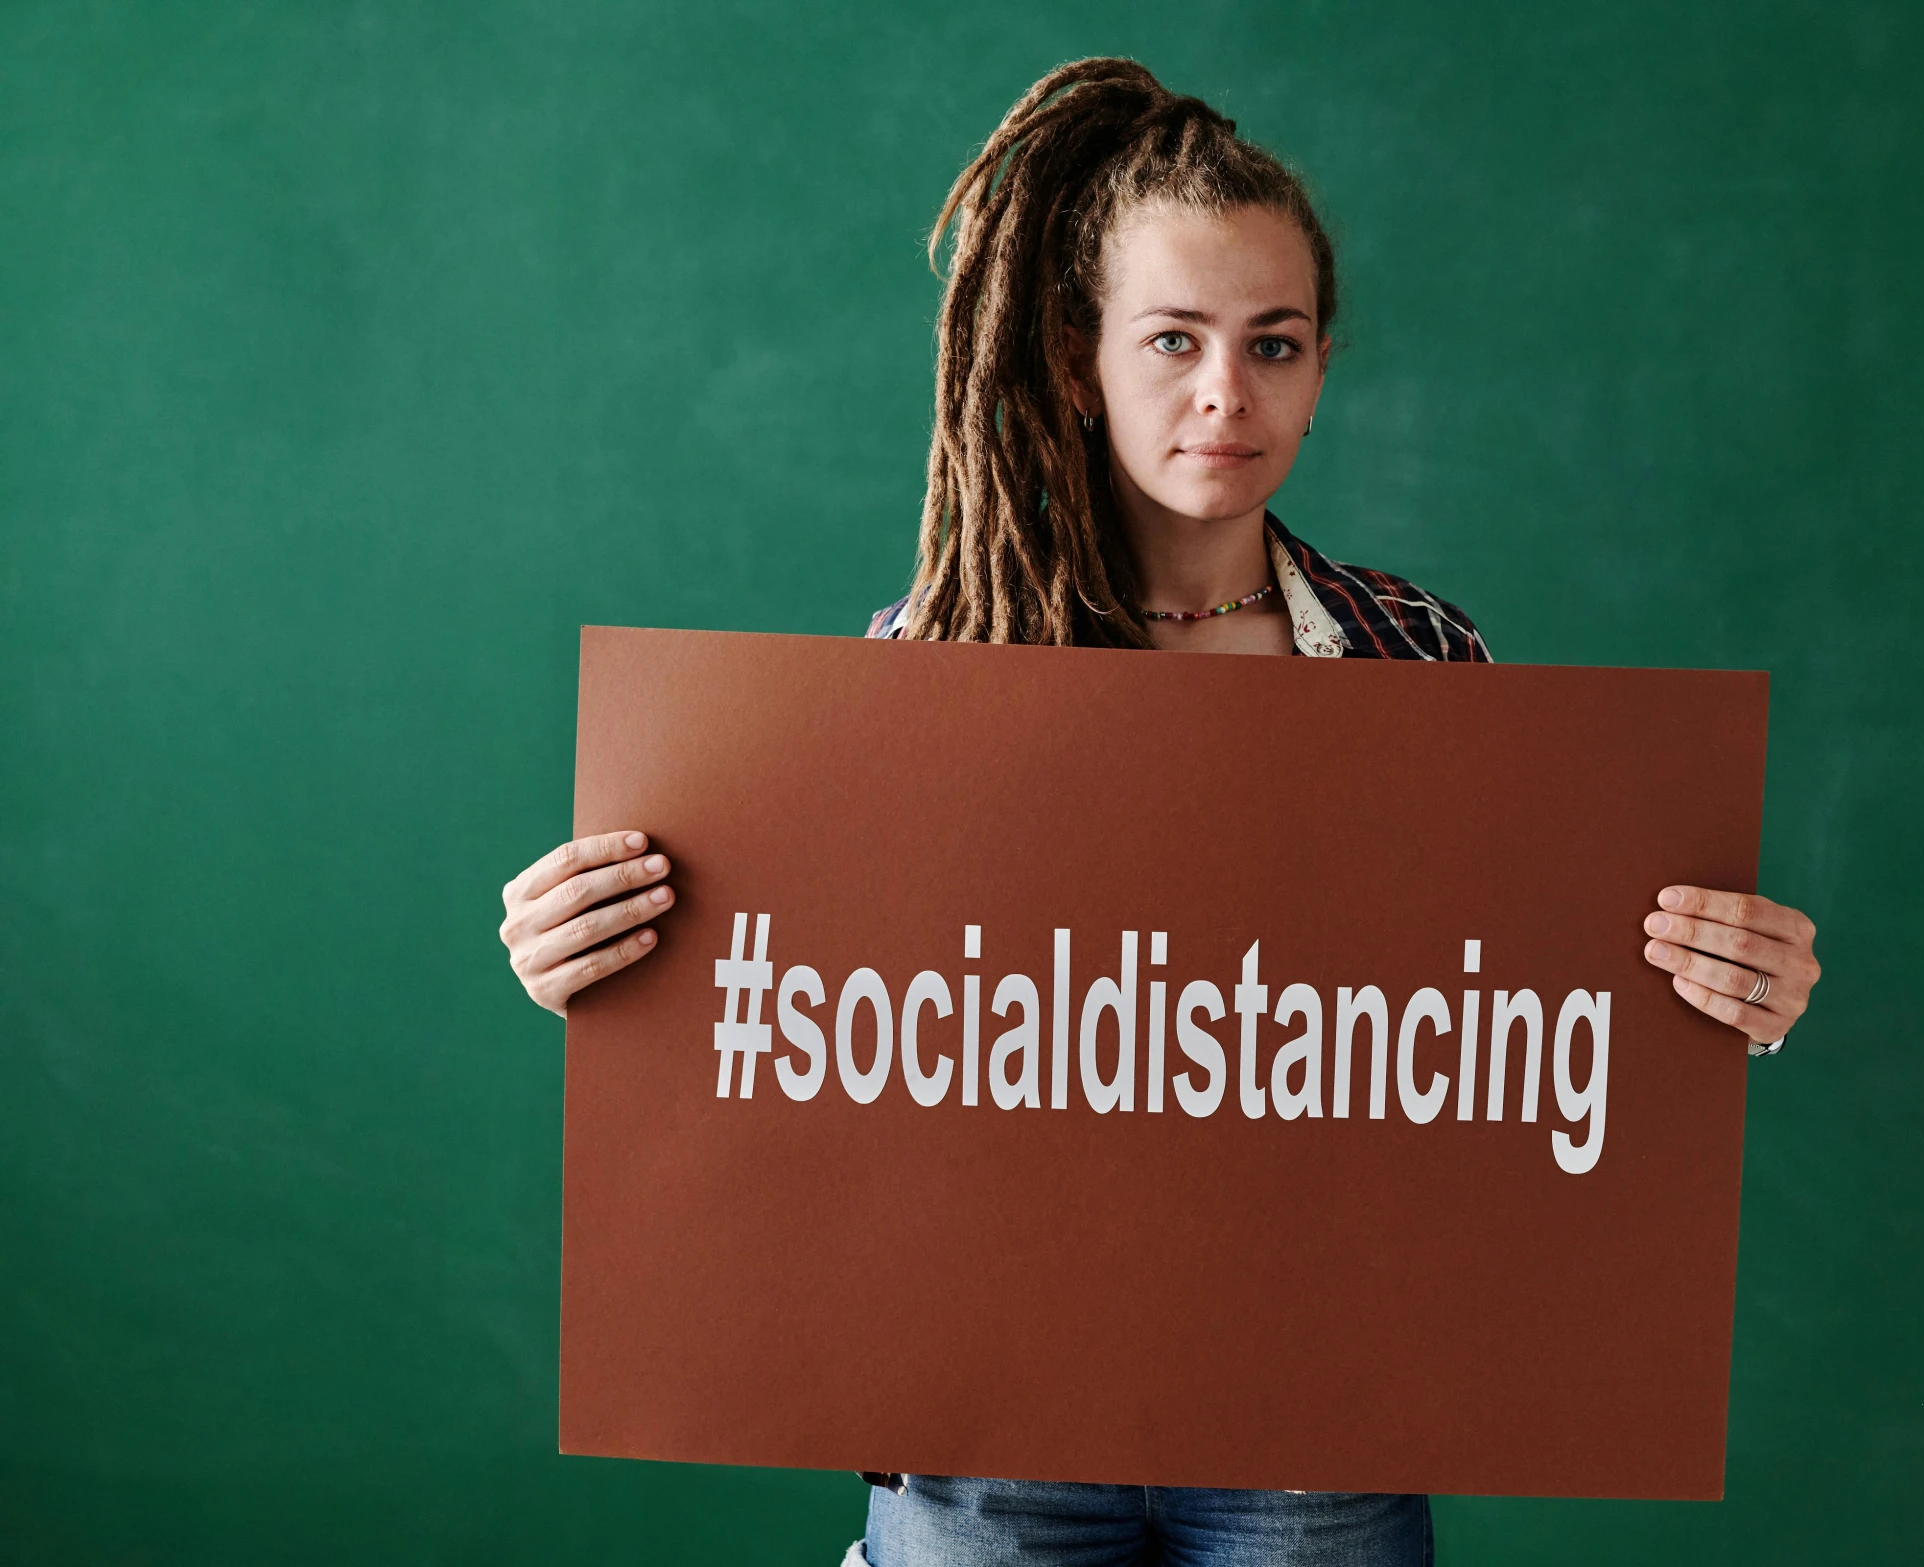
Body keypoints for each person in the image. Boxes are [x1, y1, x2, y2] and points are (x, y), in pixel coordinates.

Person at [496, 57, 1822, 1567]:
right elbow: (806, 1027)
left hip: (1310, 1419)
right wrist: (598, 969)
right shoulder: (933, 664)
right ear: (1078, 361)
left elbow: (1524, 1027)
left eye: (1272, 344)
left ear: (1323, 365)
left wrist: (1738, 1000)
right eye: (1173, 340)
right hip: (984, 1426)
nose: (1223, 393)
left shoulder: (1422, 661)